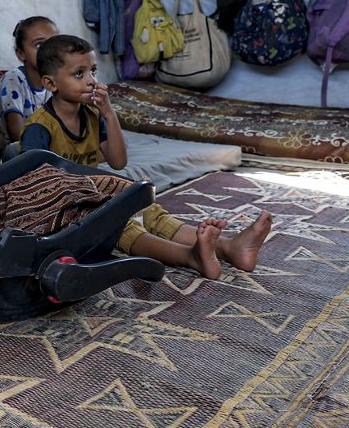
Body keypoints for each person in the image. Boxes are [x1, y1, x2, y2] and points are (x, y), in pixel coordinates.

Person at [22, 35, 272, 279]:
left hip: (94, 193)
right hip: (65, 210)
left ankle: (229, 248)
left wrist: (109, 114)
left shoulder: (92, 115)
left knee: (147, 209)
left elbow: (119, 162)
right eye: (79, 74)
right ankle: (191, 256)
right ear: (50, 83)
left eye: (93, 71)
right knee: (119, 225)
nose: (91, 81)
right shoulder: (40, 127)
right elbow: (37, 186)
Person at [0, 16, 59, 142]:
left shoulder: (54, 84)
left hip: (38, 146)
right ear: (21, 53)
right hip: (11, 150)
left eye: (54, 43)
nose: (49, 50)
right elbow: (18, 137)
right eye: (39, 45)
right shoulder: (14, 79)